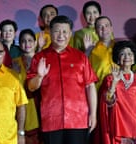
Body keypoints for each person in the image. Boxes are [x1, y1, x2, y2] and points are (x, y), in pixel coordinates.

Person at [27, 15, 98, 144]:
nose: (61, 35)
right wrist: (40, 76)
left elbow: (90, 86)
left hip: (78, 119)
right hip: (51, 119)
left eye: (65, 31)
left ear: (70, 33)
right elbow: (31, 87)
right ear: (50, 32)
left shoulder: (80, 57)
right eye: (57, 31)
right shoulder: (39, 57)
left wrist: (93, 114)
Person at [99, 40, 136, 144]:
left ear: (134, 58)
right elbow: (107, 103)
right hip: (117, 126)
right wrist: (114, 83)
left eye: (130, 54)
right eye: (122, 54)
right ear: (117, 59)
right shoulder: (109, 79)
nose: (126, 57)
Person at [12, 29, 40, 144]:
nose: (27, 44)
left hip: (38, 106)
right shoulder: (15, 63)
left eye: (29, 40)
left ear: (35, 42)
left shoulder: (41, 60)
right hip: (20, 108)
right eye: (23, 41)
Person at [87, 16, 115, 90]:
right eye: (100, 27)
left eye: (106, 25)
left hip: (120, 90)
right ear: (96, 31)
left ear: (111, 28)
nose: (104, 29)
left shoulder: (120, 47)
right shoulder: (92, 50)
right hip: (100, 91)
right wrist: (87, 51)